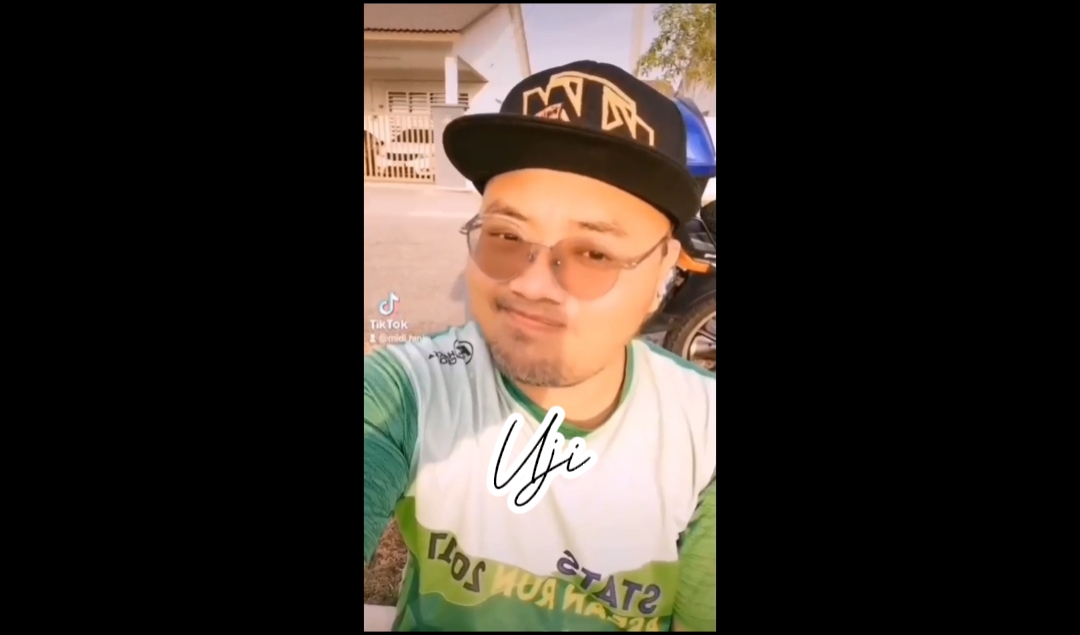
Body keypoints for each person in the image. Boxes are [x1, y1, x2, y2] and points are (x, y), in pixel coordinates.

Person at [364, 61, 715, 632]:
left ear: (663, 271)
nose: (529, 283)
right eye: (506, 235)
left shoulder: (705, 432)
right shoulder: (407, 391)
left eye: (594, 253)